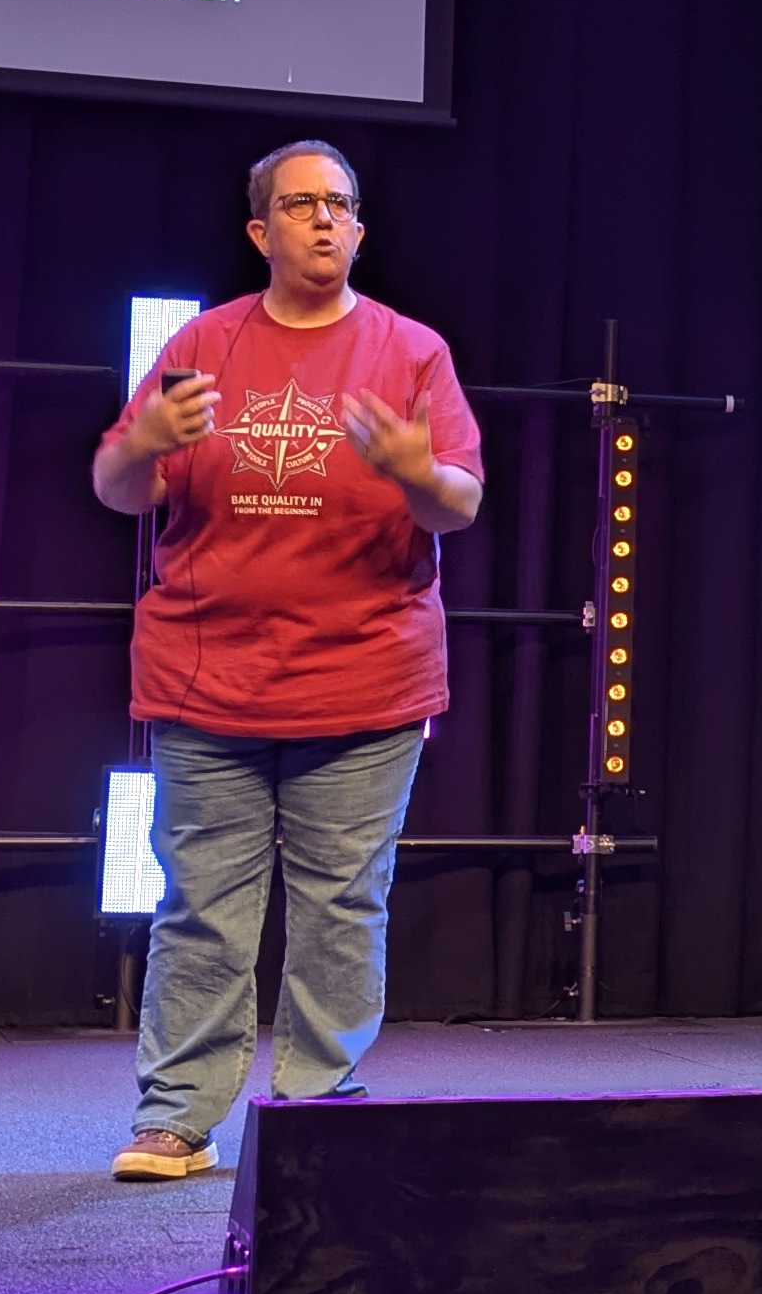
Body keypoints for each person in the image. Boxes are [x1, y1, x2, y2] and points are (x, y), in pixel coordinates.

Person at [93, 141, 484, 1178]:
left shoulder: (411, 352)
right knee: (201, 909)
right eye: (300, 205)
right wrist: (141, 445)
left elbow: (463, 500)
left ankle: (318, 1106)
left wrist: (414, 471)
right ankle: (175, 1116)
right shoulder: (203, 342)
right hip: (206, 675)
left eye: (340, 205)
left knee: (341, 907)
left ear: (359, 228)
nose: (323, 221)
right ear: (260, 230)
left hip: (364, 679)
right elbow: (117, 486)